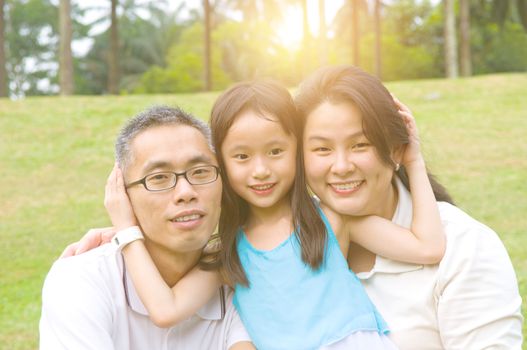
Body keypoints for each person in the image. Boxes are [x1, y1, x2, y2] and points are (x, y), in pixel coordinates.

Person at [101, 79, 447, 350]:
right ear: (219, 161)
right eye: (241, 157)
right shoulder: (228, 254)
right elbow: (165, 310)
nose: (261, 170)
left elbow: (427, 247)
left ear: (298, 149)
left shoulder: (331, 219)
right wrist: (125, 229)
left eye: (276, 151)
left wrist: (413, 162)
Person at [295, 65, 524, 349]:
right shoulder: (286, 243)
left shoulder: (464, 246)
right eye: (322, 149)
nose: (341, 166)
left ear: (394, 149)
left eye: (360, 145)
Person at [39, 106, 254, 350]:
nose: (186, 192)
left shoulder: (241, 280)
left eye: (201, 172)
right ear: (122, 193)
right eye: (159, 178)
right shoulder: (82, 280)